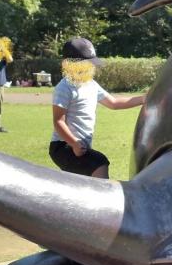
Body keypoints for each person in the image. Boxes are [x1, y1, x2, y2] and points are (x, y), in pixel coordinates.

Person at [49, 37, 145, 178]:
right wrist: (74, 143)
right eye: (87, 63)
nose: (92, 67)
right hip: (63, 146)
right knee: (99, 163)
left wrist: (144, 99)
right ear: (72, 64)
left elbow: (114, 103)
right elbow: (58, 121)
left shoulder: (91, 84)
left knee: (82, 181)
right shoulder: (64, 88)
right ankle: (105, 200)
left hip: (81, 146)